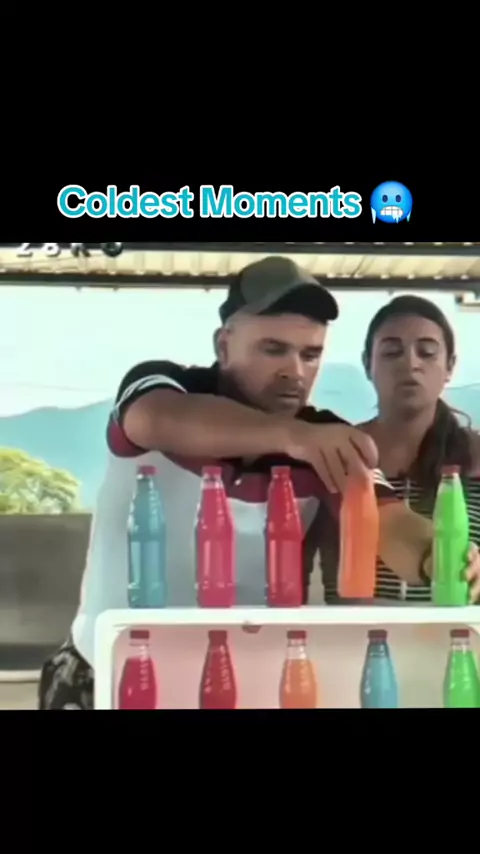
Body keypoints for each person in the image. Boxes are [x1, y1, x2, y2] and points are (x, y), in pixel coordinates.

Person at [38, 259, 480, 709]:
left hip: (237, 684)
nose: (295, 371)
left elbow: (390, 521)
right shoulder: (168, 387)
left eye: (310, 355)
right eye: (274, 349)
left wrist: (444, 558)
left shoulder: (323, 438)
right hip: (102, 673)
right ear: (224, 345)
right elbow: (152, 419)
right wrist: (294, 437)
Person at [316, 294, 480, 604]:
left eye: (427, 352)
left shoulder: (475, 455)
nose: (410, 363)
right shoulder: (340, 451)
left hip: (463, 630)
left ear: (450, 366)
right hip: (350, 631)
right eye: (392, 352)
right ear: (367, 364)